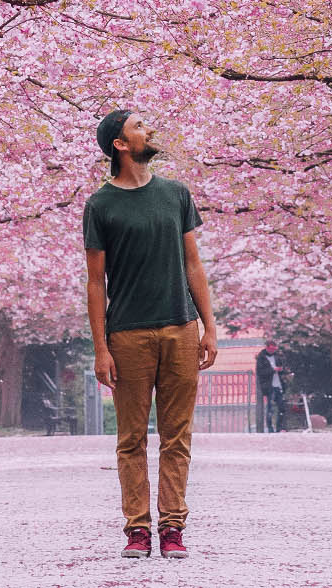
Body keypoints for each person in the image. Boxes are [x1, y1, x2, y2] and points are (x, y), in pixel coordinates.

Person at [84, 109, 218, 560]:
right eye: (139, 126)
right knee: (132, 439)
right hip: (127, 335)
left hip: (181, 328)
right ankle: (137, 530)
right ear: (120, 144)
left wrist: (209, 326)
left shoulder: (176, 194)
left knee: (178, 436)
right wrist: (100, 348)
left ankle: (173, 528)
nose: (149, 131)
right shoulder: (100, 205)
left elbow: (193, 265)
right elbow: (95, 281)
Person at [255, 338, 285, 432]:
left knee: (281, 408)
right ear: (267, 348)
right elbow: (260, 372)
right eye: (271, 349)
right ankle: (270, 429)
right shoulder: (261, 358)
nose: (273, 351)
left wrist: (281, 370)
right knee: (270, 408)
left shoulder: (277, 356)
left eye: (274, 349)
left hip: (278, 385)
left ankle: (279, 428)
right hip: (269, 386)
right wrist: (273, 370)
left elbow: (282, 368)